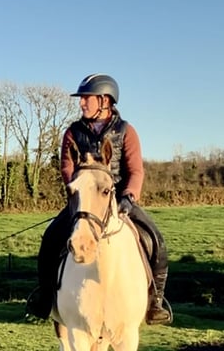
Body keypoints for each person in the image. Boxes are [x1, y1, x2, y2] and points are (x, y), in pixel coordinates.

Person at [26, 73, 172, 325]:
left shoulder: (127, 131)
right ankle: (46, 296)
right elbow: (66, 166)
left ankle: (155, 302)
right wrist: (78, 191)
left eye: (86, 99)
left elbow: (136, 170)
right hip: (84, 202)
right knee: (50, 238)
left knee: (156, 240)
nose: (82, 103)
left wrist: (129, 196)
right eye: (82, 99)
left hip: (119, 200)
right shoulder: (72, 132)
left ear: (105, 100)